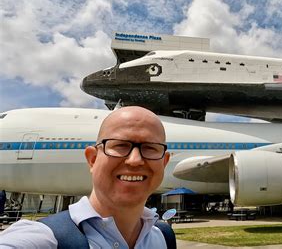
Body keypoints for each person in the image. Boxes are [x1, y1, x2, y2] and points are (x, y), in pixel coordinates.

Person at [0, 106, 172, 248]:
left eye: (150, 147)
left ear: (164, 163)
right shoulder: (44, 238)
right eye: (121, 145)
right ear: (93, 159)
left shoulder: (163, 237)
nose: (135, 160)